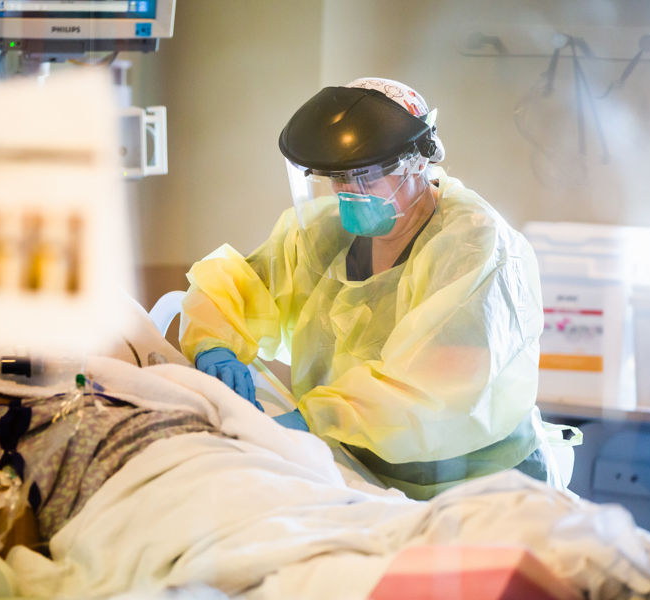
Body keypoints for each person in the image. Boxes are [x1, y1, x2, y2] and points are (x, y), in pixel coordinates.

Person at [180, 78, 560, 500]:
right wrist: (214, 342)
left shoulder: (475, 250)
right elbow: (240, 285)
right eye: (336, 178)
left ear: (417, 163)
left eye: (364, 176)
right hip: (360, 474)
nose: (348, 193)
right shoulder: (326, 235)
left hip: (477, 488)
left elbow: (429, 396)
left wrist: (316, 420)